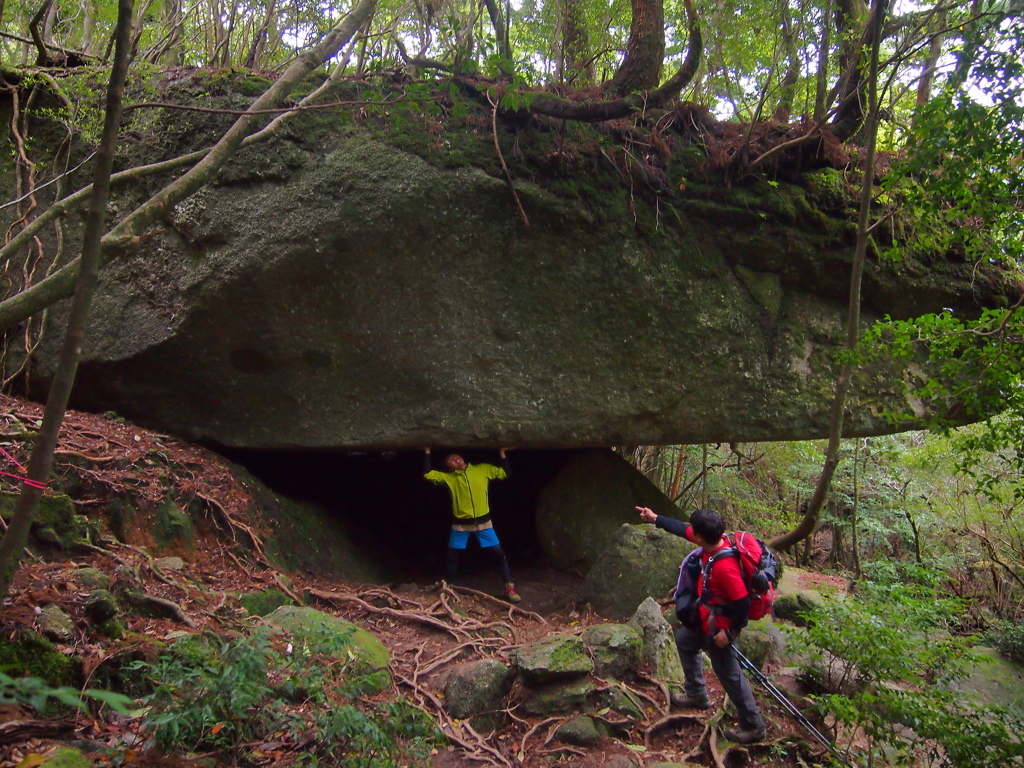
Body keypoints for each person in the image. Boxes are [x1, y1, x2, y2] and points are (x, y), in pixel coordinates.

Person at [637, 504, 767, 744]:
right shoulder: (712, 542)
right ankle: (697, 694)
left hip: (720, 627)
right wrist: (655, 517)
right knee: (685, 642)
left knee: (730, 676)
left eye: (694, 530)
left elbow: (743, 605)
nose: (690, 532)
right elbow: (682, 529)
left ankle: (753, 726)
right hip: (704, 619)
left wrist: (728, 633)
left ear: (700, 536)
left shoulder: (725, 567)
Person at [424, 447, 521, 603]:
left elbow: (506, 473)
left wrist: (502, 453)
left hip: (484, 523)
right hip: (461, 525)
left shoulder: (482, 469)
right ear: (450, 468)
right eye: (450, 460)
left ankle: (509, 587)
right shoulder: (450, 478)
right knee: (452, 557)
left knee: (498, 554)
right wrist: (427, 451)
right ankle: (448, 588)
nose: (454, 458)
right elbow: (427, 474)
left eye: (455, 455)